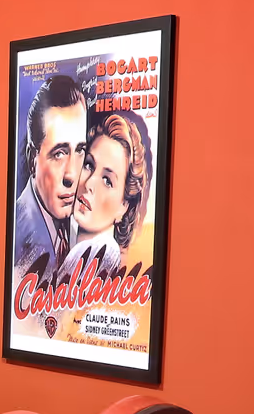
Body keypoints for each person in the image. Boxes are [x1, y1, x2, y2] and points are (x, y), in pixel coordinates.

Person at [60, 109, 153, 285]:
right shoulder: (71, 248)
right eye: (88, 165)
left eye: (107, 181)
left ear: (124, 206)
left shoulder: (97, 257)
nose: (88, 184)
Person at [12, 73, 87, 283]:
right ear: (32, 160)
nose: (71, 175)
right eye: (59, 153)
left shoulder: (78, 226)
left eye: (80, 150)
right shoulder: (18, 240)